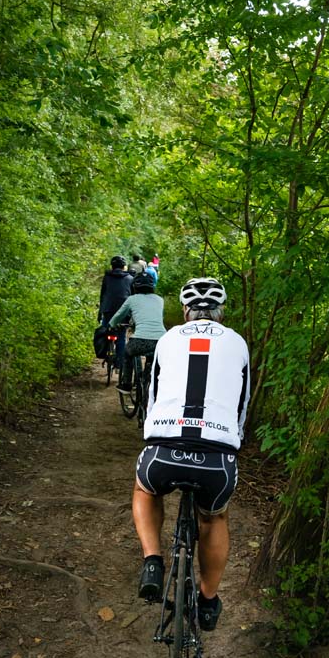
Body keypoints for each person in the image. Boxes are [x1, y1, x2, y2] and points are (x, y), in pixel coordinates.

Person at [131, 277, 250, 631]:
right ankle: (209, 601)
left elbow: (152, 398)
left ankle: (152, 561)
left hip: (164, 450)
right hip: (217, 459)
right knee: (214, 519)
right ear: (221, 311)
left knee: (145, 488)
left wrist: (154, 434)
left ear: (185, 310)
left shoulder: (167, 340)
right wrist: (232, 440)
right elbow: (242, 405)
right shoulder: (238, 343)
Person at [108, 272, 166, 391]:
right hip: (161, 340)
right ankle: (157, 386)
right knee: (156, 361)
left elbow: (119, 315)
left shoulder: (132, 299)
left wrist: (111, 325)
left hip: (140, 340)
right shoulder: (160, 300)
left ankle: (127, 384)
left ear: (135, 286)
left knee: (127, 352)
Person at [98, 256, 133, 367]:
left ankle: (105, 353)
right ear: (124, 267)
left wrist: (100, 312)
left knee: (105, 331)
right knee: (121, 337)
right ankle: (119, 363)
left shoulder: (107, 277)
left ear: (112, 266)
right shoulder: (130, 279)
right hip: (124, 312)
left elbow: (102, 295)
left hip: (108, 310)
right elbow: (133, 298)